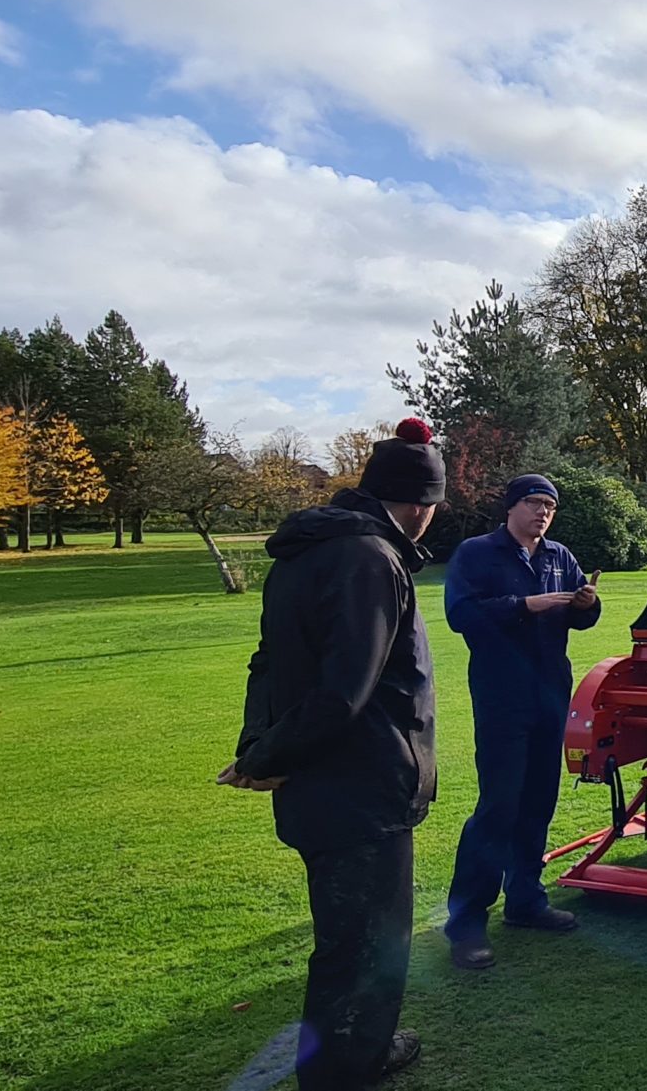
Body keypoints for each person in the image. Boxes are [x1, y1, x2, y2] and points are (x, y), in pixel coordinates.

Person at [222, 417, 444, 1090]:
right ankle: (344, 1069)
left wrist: (260, 745)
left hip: (323, 779)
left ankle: (355, 1051)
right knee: (366, 942)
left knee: (347, 935)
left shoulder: (306, 553)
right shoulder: (370, 561)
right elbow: (346, 690)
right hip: (362, 782)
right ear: (419, 506)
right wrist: (267, 754)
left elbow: (269, 665)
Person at [441, 473, 601, 969]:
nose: (542, 513)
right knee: (498, 806)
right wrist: (523, 606)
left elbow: (579, 618)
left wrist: (586, 606)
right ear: (510, 507)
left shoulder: (559, 556)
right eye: (534, 503)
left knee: (538, 800)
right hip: (501, 696)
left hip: (550, 692)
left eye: (550, 506)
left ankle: (526, 901)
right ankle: (466, 922)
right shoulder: (477, 553)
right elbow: (461, 615)